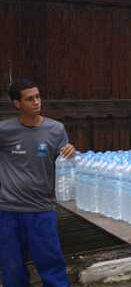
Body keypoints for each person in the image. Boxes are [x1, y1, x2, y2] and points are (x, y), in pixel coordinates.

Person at [0, 79, 76, 287]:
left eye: (38, 97)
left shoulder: (56, 129)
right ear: (17, 104)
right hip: (8, 210)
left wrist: (71, 153)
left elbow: (66, 164)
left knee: (52, 264)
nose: (36, 102)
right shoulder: (4, 130)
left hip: (42, 209)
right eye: (29, 98)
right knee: (12, 267)